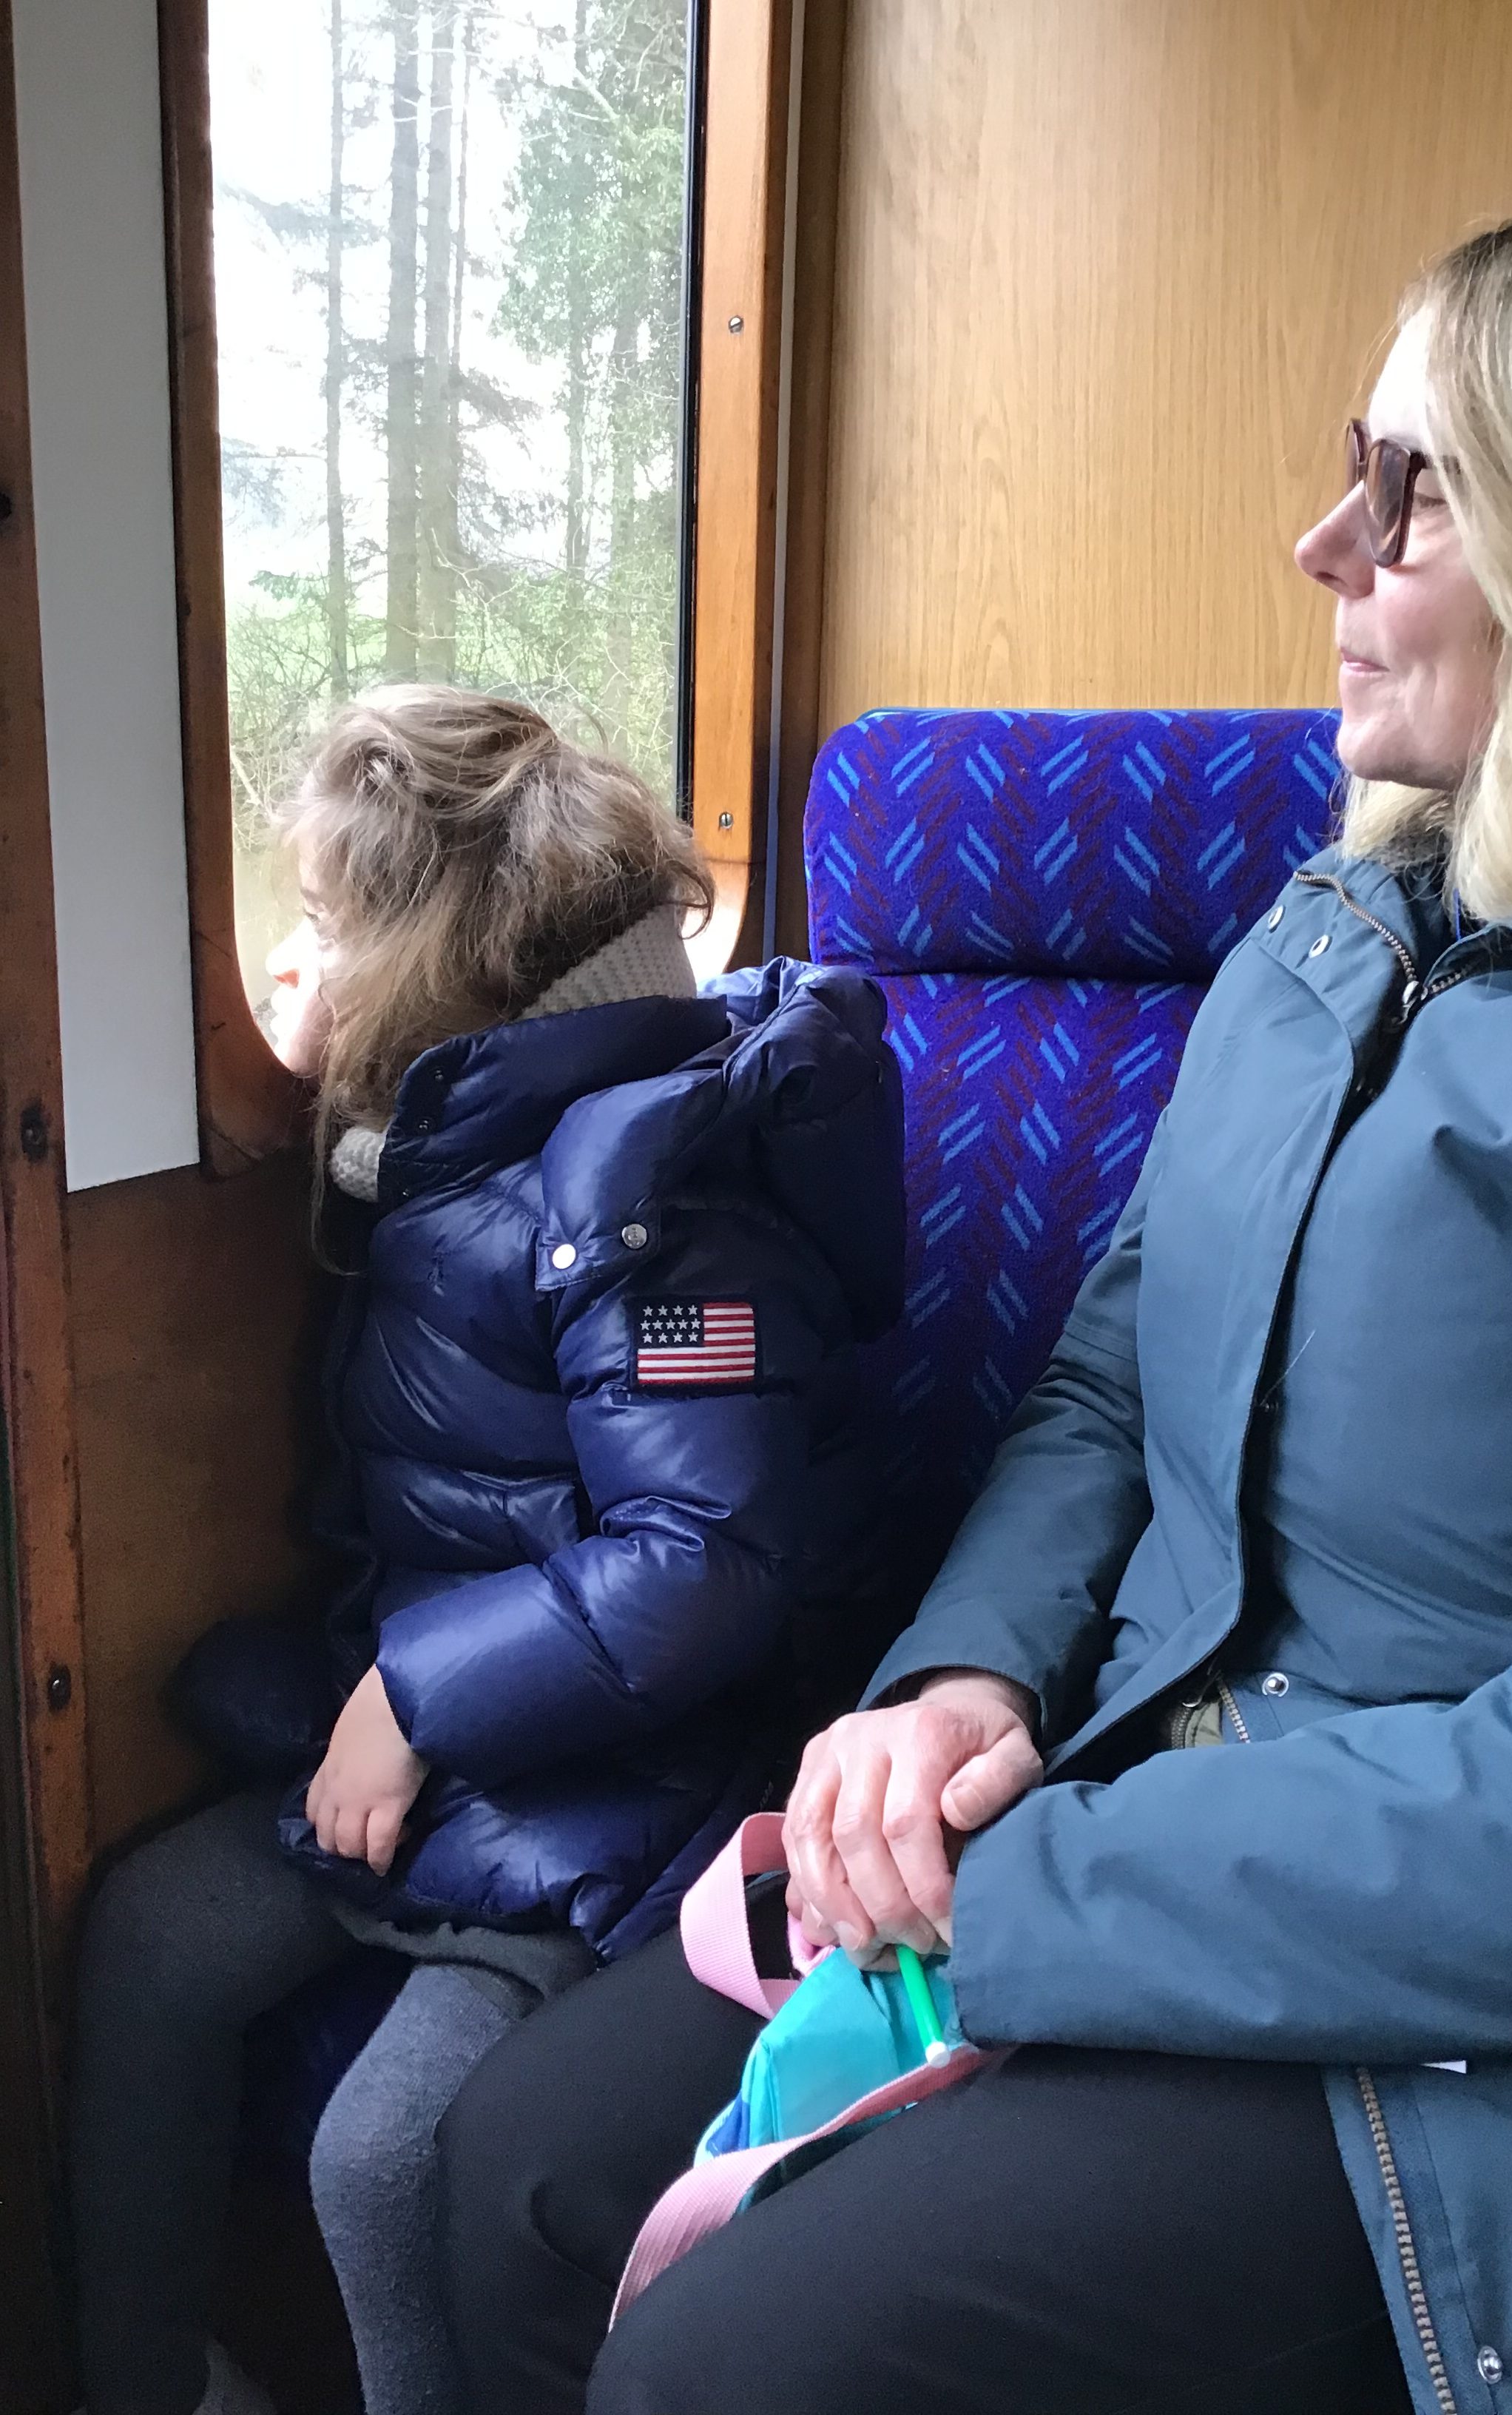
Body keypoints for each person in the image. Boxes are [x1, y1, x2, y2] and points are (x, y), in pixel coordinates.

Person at [441, 185, 1512, 2415]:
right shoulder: (1328, 938)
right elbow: (1107, 1382)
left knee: (741, 2370)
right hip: (1122, 1777)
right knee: (515, 2174)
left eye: (1413, 488)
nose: (1322, 544)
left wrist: (1040, 1887)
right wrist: (959, 1679)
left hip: (1496, 2030)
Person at [67, 685, 905, 2415]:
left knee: (384, 2156)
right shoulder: (453, 1151)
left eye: (327, 920)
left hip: (642, 1767)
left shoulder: (667, 1204)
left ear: (433, 958)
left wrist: (413, 1700)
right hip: (478, 1726)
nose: (295, 958)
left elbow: (703, 1565)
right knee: (153, 1941)